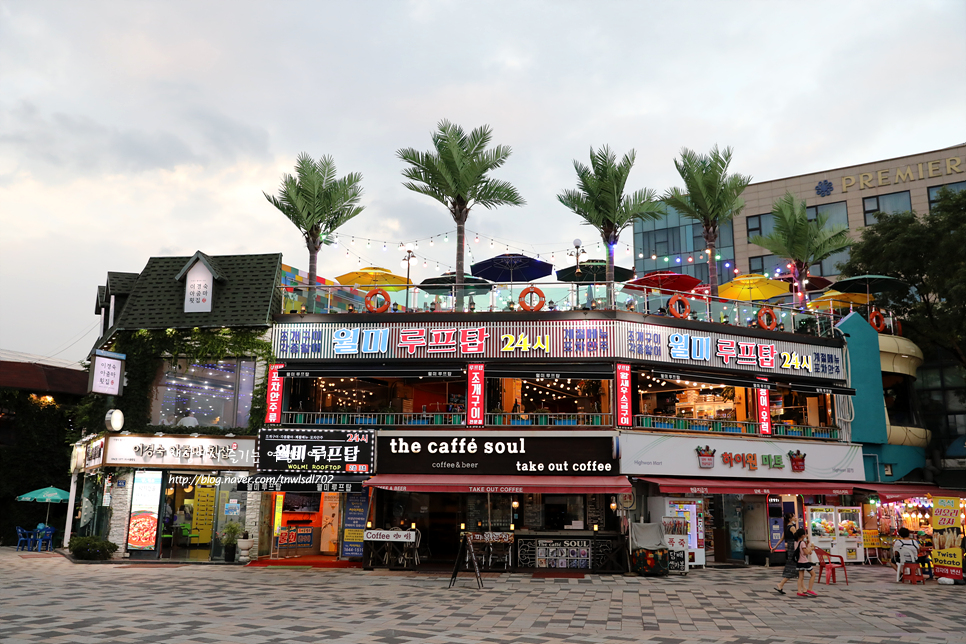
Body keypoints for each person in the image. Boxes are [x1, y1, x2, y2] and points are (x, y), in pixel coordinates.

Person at [773, 513, 798, 595]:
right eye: (794, 516)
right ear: (790, 519)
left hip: (790, 548)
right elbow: (797, 538)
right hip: (794, 548)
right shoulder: (792, 527)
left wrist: (775, 547)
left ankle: (803, 588)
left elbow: (782, 539)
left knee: (796, 568)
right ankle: (781, 583)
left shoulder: (786, 527)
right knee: (795, 568)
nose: (795, 517)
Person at [794, 528, 818, 597]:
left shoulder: (796, 542)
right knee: (813, 574)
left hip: (799, 561)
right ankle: (810, 589)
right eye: (805, 534)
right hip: (804, 561)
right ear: (802, 535)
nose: (806, 535)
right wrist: (811, 548)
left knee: (800, 577)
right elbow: (806, 552)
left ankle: (799, 591)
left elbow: (804, 552)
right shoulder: (802, 543)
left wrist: (807, 545)